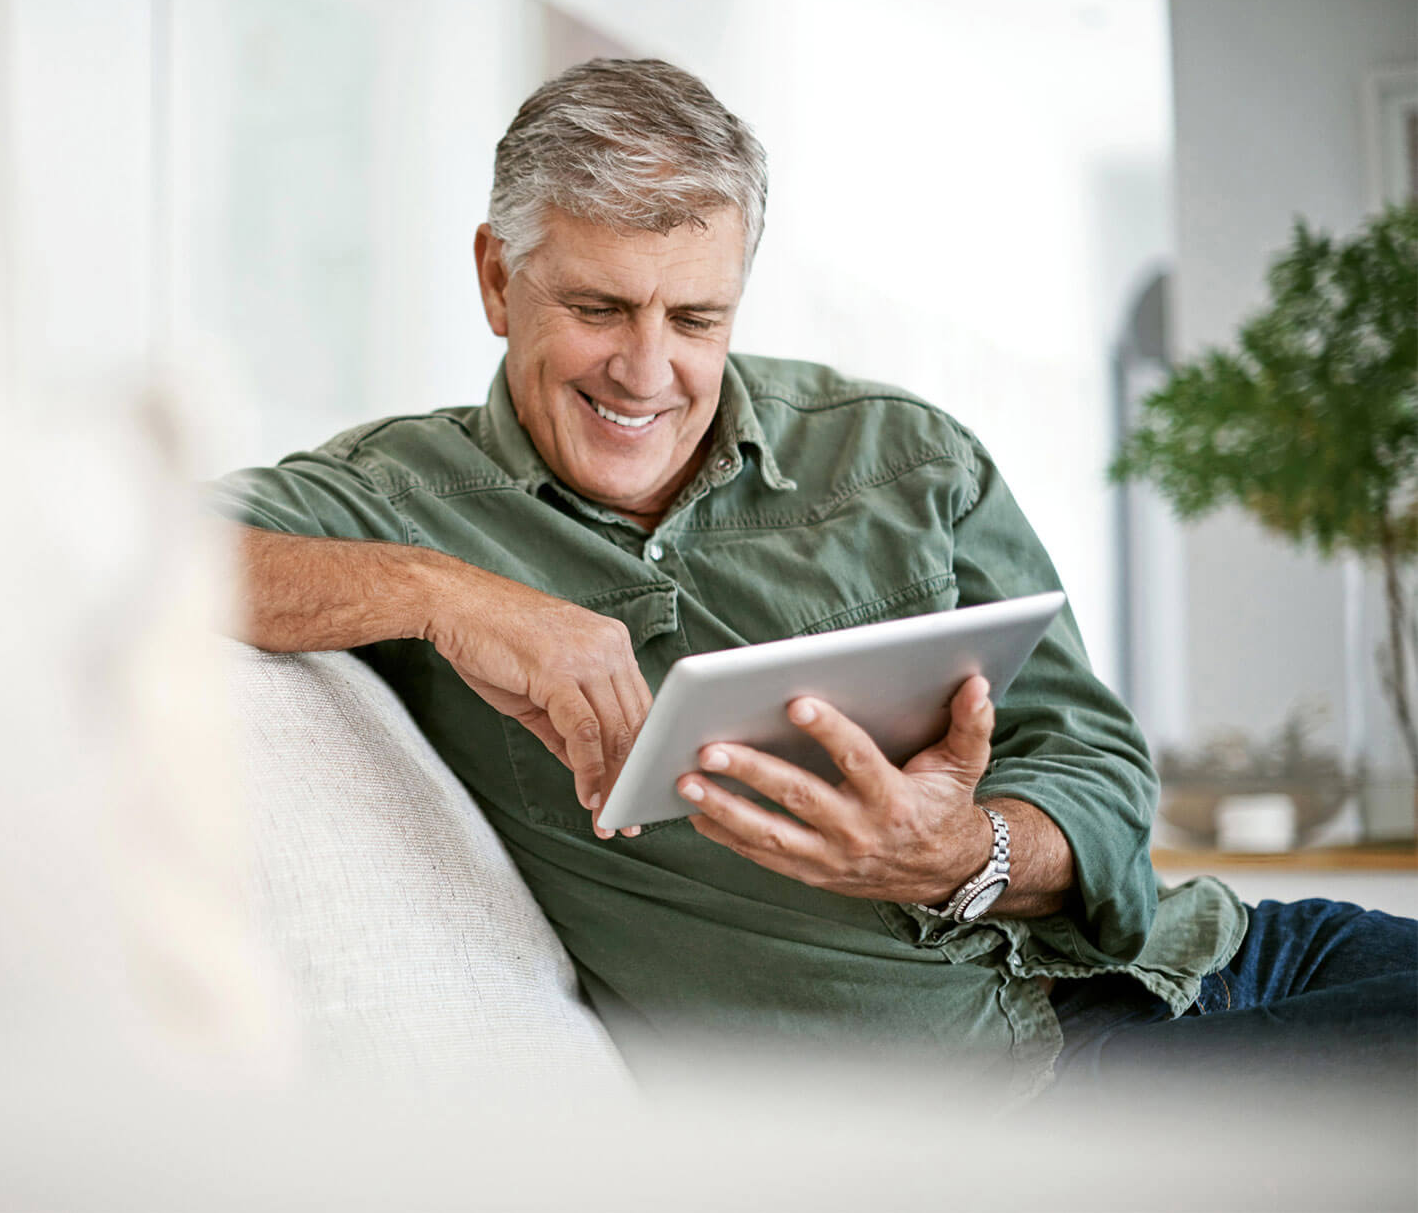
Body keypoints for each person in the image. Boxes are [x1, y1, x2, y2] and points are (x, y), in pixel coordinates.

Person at [213, 58, 1416, 1098]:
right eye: (596, 307)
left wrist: (966, 852)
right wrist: (448, 595)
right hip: (1012, 1093)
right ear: (494, 279)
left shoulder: (901, 453)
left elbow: (1096, 769)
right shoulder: (395, 500)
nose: (647, 369)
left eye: (696, 317)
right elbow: (112, 555)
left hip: (1214, 951)